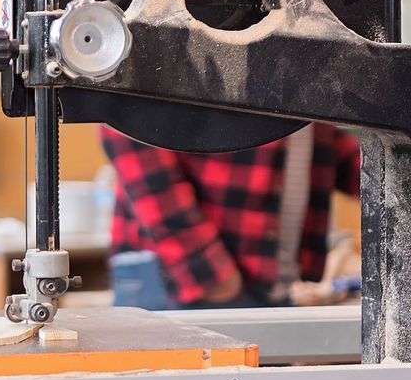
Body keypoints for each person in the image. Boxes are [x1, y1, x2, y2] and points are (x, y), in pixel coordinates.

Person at [99, 122, 360, 310]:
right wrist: (206, 270)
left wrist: (389, 171)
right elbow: (125, 125)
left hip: (267, 285)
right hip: (186, 280)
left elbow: (309, 132)